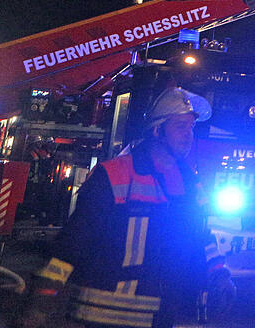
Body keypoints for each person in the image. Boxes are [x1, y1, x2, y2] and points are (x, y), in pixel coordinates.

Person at [20, 84, 234, 328]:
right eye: (180, 126)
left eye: (191, 127)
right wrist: (43, 297)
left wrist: (219, 274)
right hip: (100, 316)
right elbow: (74, 242)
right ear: (157, 131)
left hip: (160, 316)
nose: (189, 135)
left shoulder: (188, 182)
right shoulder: (113, 175)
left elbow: (200, 237)